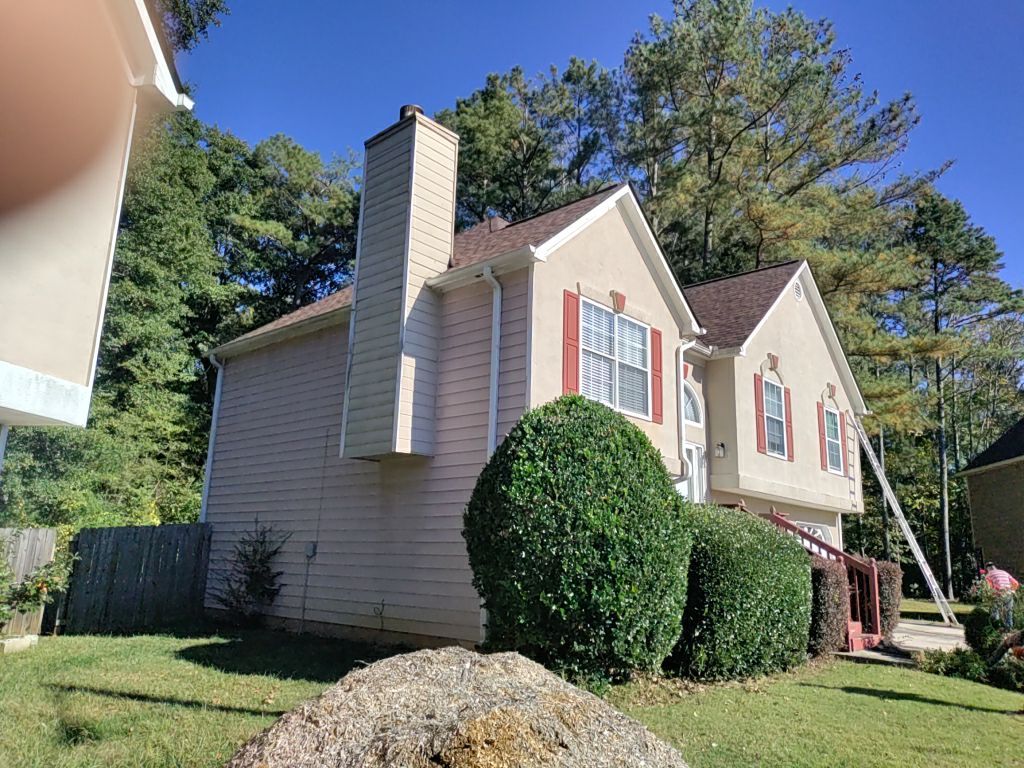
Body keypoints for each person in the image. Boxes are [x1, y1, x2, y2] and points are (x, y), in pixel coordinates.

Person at [983, 561, 1019, 629]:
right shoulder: (1004, 572)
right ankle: (1009, 630)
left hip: (998, 595)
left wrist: (990, 595)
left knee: (995, 612)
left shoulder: (988, 575)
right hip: (1009, 593)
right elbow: (1016, 583)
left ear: (987, 569)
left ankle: (997, 629)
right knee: (1008, 613)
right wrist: (1012, 590)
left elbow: (989, 587)